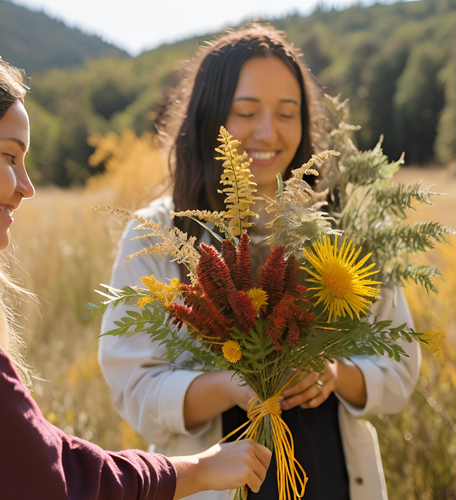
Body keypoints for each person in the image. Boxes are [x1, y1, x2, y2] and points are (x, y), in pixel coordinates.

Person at [99, 24, 421, 500]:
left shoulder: (343, 232)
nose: (268, 133)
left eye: (287, 114)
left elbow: (399, 368)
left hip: (332, 475)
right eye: (246, 112)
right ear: (210, 119)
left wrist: (333, 375)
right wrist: (233, 385)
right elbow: (134, 387)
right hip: (215, 482)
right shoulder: (163, 234)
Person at [0, 57, 272, 500]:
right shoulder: (159, 232)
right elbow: (58, 475)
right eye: (10, 155)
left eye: (286, 111)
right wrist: (199, 469)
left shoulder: (316, 231)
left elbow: (44, 458)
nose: (28, 187)